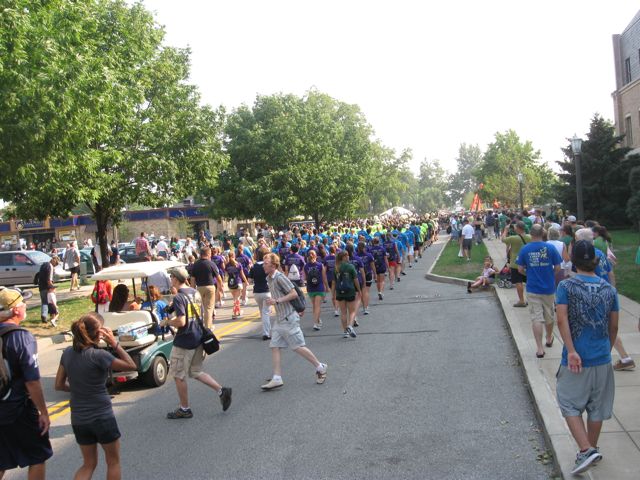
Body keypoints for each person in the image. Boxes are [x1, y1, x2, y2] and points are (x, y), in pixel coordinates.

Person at [555, 240, 619, 475]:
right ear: (595, 260)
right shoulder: (609, 289)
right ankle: (591, 448)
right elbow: (614, 325)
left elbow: (561, 319)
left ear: (573, 260)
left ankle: (585, 449)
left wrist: (571, 350)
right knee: (597, 407)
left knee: (568, 401)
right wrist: (607, 349)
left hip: (576, 358)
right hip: (601, 356)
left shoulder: (566, 286)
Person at [55, 313, 137, 480]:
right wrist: (115, 343)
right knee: (113, 462)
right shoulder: (100, 355)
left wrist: (78, 388)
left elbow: (58, 385)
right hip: (102, 417)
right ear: (98, 333)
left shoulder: (67, 353)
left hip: (79, 419)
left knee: (88, 464)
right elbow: (131, 365)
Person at [161, 267, 232, 418]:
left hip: (184, 341)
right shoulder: (195, 292)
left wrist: (167, 322)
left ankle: (184, 409)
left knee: (179, 375)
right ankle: (221, 390)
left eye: (171, 277)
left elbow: (181, 321)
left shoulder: (180, 297)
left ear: (175, 278)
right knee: (195, 371)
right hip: (198, 337)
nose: (170, 279)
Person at [0, 287, 52, 480]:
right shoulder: (21, 337)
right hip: (18, 410)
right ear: (15, 310)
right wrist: (43, 412)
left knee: (2, 460)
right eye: (23, 303)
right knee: (37, 456)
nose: (25, 306)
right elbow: (32, 381)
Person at [260, 253, 327, 390]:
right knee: (274, 346)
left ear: (273, 265)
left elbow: (294, 293)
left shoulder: (280, 277)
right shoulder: (269, 278)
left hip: (289, 318)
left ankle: (320, 367)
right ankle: (277, 378)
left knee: (297, 347)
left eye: (265, 263)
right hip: (280, 319)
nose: (263, 265)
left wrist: (276, 301)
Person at [516, 224, 562, 358]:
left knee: (536, 317)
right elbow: (558, 267)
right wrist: (550, 274)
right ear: (542, 233)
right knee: (549, 315)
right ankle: (548, 338)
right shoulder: (550, 247)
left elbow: (519, 269)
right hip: (548, 287)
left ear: (531, 234)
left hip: (532, 287)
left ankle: (540, 349)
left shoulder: (525, 249)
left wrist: (529, 274)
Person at [191, 247, 223, 330]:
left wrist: (193, 289)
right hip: (210, 286)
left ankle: (200, 326)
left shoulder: (195, 264)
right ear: (208, 254)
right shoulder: (211, 264)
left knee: (200, 307)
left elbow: (192, 279)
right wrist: (220, 287)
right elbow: (218, 277)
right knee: (209, 308)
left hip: (199, 287)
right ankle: (208, 327)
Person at [502, 220, 531, 307]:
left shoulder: (513, 238)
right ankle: (530, 299)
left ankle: (521, 301)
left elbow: (503, 239)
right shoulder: (530, 237)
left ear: (518, 228)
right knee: (529, 282)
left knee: (518, 282)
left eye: (515, 227)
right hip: (528, 262)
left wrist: (505, 230)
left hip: (516, 263)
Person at [333, 250, 361, 339]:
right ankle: (350, 326)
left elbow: (334, 281)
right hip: (349, 291)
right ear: (344, 257)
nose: (348, 257)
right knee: (352, 311)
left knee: (343, 312)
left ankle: (345, 331)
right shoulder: (350, 267)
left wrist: (333, 293)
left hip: (340, 292)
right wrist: (359, 290)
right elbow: (355, 279)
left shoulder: (336, 268)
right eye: (347, 256)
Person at [248, 247, 272, 341]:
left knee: (263, 312)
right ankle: (266, 333)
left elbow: (250, 280)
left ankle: (265, 330)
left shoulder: (254, 266)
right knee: (266, 312)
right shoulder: (268, 265)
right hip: (267, 291)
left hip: (257, 292)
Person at [304, 249, 329, 331]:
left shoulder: (306, 266)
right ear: (316, 256)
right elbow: (324, 277)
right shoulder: (320, 265)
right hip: (319, 287)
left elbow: (305, 278)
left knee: (314, 306)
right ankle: (316, 323)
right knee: (318, 306)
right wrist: (326, 287)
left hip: (310, 288)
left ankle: (317, 321)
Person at [225, 251, 248, 319]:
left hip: (231, 283)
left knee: (235, 298)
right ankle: (235, 314)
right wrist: (246, 281)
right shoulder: (238, 264)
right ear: (234, 256)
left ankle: (239, 312)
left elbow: (226, 274)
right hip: (238, 282)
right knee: (236, 299)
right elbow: (242, 274)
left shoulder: (227, 265)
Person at [38, 255, 59, 325]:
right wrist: (52, 287)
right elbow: (49, 280)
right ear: (54, 262)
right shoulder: (50, 266)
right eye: (56, 265)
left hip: (41, 286)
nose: (55, 266)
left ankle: (44, 315)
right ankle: (53, 316)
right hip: (47, 287)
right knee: (51, 303)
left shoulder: (43, 265)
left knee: (44, 302)